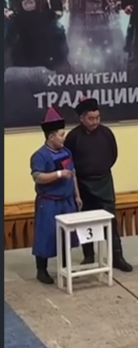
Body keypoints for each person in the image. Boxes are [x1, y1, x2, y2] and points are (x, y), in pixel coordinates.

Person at [64, 96, 133, 272]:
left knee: (111, 220)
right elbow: (69, 162)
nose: (95, 122)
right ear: (82, 118)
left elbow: (113, 154)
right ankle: (89, 256)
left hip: (104, 181)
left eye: (97, 118)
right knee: (86, 220)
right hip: (83, 184)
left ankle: (117, 257)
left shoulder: (106, 133)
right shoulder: (73, 137)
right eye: (91, 118)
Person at [31, 107, 81, 285]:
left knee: (68, 235)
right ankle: (41, 270)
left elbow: (72, 173)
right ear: (51, 136)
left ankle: (66, 266)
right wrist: (58, 174)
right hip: (49, 202)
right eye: (61, 135)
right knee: (46, 235)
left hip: (67, 201)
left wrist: (77, 195)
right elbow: (38, 177)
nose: (64, 138)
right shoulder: (39, 156)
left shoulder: (67, 152)